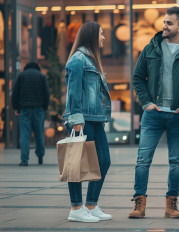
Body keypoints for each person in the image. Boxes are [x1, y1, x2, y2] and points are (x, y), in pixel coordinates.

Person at [130, 7, 179, 219]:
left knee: (176, 161)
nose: (164, 26)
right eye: (164, 22)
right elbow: (137, 78)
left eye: (169, 23)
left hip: (177, 115)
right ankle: (139, 203)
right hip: (153, 113)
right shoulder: (150, 49)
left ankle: (171, 204)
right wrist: (146, 103)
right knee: (143, 159)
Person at [62, 21, 112, 223]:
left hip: (96, 119)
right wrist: (76, 120)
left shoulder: (92, 60)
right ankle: (76, 207)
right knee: (76, 162)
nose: (103, 38)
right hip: (82, 119)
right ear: (92, 35)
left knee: (104, 161)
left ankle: (90, 205)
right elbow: (73, 92)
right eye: (101, 34)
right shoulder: (78, 60)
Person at [11, 62, 50, 166]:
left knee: (25, 135)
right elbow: (46, 93)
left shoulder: (21, 76)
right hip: (38, 110)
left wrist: (16, 108)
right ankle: (40, 156)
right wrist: (44, 107)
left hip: (25, 110)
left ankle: (24, 159)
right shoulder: (42, 76)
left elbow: (15, 93)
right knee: (39, 134)